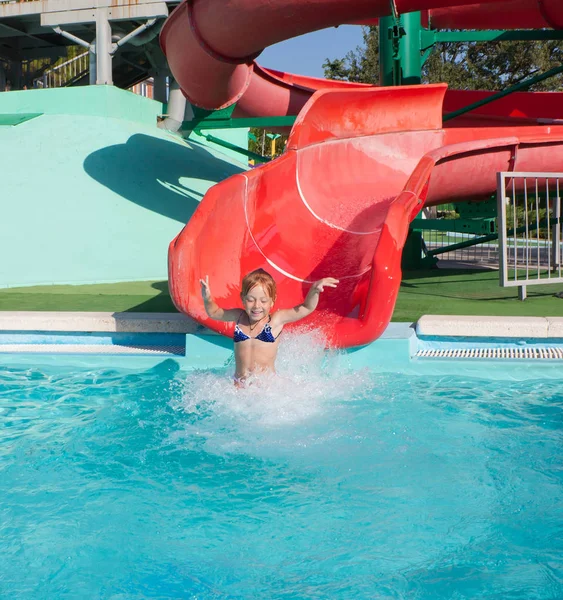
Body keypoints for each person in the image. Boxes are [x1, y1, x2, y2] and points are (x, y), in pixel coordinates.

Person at [199, 269, 338, 387]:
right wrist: (207, 298)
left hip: (266, 389)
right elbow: (214, 313)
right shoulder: (239, 316)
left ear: (272, 301)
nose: (257, 306)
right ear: (242, 298)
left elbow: (306, 308)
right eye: (251, 299)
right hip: (239, 387)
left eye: (263, 301)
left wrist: (314, 290)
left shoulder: (275, 321)